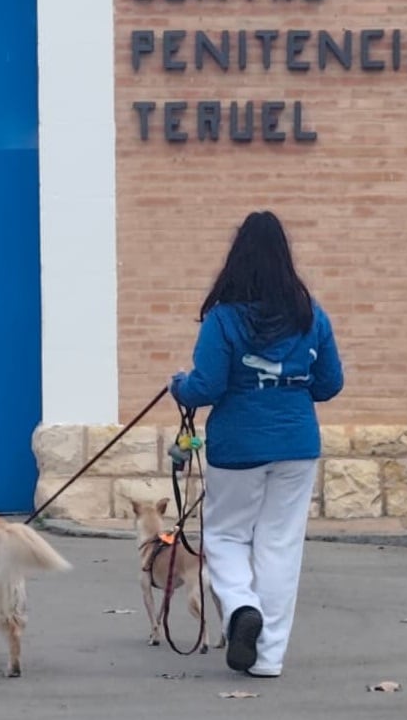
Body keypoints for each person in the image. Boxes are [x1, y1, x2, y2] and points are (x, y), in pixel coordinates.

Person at [168, 210, 344, 678]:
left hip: (238, 445)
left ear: (238, 259)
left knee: (225, 535)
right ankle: (268, 658)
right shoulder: (312, 316)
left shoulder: (223, 319)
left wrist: (178, 387)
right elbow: (329, 384)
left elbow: (205, 387)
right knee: (280, 544)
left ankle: (242, 607)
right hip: (297, 443)